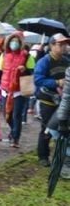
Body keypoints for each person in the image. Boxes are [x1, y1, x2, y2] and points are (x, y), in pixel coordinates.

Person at [34, 33, 70, 167]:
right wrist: (56, 82)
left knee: (63, 127)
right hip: (47, 101)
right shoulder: (44, 61)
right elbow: (37, 80)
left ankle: (62, 156)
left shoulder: (66, 61)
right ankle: (43, 155)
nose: (63, 47)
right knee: (47, 129)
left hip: (63, 101)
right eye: (60, 44)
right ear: (51, 45)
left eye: (65, 44)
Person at [0, 32, 35, 148]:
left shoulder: (27, 56)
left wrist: (25, 70)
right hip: (5, 89)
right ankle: (13, 131)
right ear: (8, 43)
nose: (14, 44)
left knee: (17, 115)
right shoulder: (4, 55)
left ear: (21, 43)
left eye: (17, 42)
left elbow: (32, 72)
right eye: (12, 41)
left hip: (19, 90)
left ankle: (15, 139)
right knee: (6, 114)